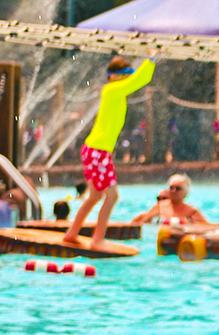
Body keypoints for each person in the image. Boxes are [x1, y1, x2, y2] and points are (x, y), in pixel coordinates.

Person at [62, 53, 156, 247]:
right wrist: (151, 60)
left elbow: (135, 80)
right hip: (97, 151)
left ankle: (71, 233)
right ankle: (97, 240)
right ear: (112, 75)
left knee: (95, 196)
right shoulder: (112, 90)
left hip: (94, 150)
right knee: (112, 196)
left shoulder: (115, 92)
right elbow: (140, 79)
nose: (125, 80)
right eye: (123, 75)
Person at [131, 174, 208, 225]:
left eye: (178, 189)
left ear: (185, 192)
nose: (173, 191)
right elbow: (142, 223)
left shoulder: (192, 212)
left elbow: (208, 227)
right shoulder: (159, 207)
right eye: (171, 188)